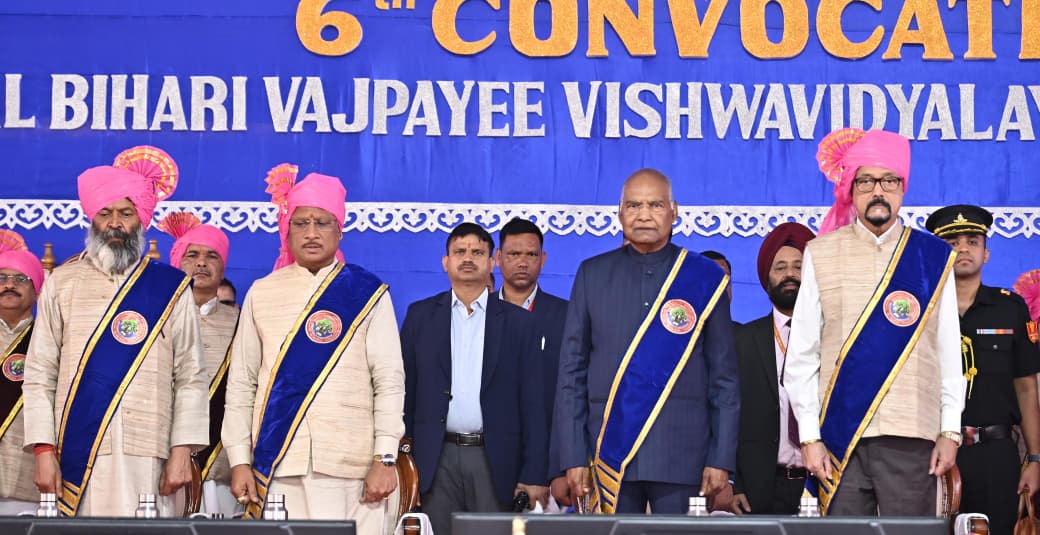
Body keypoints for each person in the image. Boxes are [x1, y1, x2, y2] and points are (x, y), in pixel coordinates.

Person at [784, 129, 965, 516]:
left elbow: (949, 353)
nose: (877, 191)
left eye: (889, 180)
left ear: (903, 187)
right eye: (865, 181)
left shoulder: (932, 256)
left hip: (911, 435)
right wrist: (810, 437)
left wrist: (949, 430)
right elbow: (802, 356)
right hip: (839, 439)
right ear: (851, 189)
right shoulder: (821, 252)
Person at [22, 146, 209, 517]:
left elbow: (191, 375)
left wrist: (182, 450)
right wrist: (43, 451)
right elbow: (40, 372)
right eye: (105, 213)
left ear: (141, 219)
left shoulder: (171, 286)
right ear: (92, 218)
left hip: (152, 452)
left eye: (126, 213)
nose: (115, 223)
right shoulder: (62, 282)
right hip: (76, 451)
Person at [222, 165, 404, 532]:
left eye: (322, 223)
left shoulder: (367, 293)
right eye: (301, 223)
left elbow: (389, 381)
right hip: (278, 464)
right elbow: (241, 383)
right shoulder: (262, 292)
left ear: (339, 229)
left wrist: (385, 457)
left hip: (351, 466)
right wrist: (239, 460)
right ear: (287, 230)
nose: (311, 233)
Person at [555, 168, 740, 514]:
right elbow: (571, 375)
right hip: (607, 451)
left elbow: (724, 378)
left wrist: (721, 459)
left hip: (684, 455)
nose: (643, 215)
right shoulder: (591, 274)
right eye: (633, 205)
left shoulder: (703, 276)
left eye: (655, 205)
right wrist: (573, 455)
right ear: (619, 213)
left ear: (674, 211)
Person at [401, 222, 549, 535]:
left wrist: (534, 473)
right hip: (435, 458)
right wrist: (403, 460)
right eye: (460, 252)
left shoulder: (519, 323)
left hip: (495, 459)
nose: (468, 258)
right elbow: (406, 393)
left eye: (477, 252)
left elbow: (535, 404)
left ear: (492, 261)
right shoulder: (420, 316)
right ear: (446, 262)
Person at [925, 205, 1040, 534]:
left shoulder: (1009, 308)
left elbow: (1026, 387)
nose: (963, 248)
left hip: (995, 454)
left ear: (986, 254)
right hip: (932, 452)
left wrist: (1035, 459)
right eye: (952, 243)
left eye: (972, 241)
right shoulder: (921, 310)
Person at [729, 222, 815, 515]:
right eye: (780, 267)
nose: (790, 274)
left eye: (798, 267)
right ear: (766, 279)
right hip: (759, 487)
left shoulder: (833, 336)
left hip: (822, 483)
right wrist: (736, 483)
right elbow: (729, 414)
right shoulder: (743, 340)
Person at [157, 212, 240, 515]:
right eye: (192, 255)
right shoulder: (155, 318)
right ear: (177, 262)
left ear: (223, 267)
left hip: (221, 464)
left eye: (211, 256)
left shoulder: (243, 321)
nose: (202, 263)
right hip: (162, 458)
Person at [494, 218, 570, 504]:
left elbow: (572, 396)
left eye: (531, 255)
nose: (522, 262)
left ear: (543, 259)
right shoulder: (479, 315)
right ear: (498, 257)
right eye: (514, 254)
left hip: (549, 466)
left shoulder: (567, 316)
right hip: (485, 463)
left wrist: (559, 468)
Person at [0, 231, 44, 515]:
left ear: (37, 290)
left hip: (28, 480)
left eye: (21, 279)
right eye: (2, 278)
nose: (9, 285)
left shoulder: (50, 339)